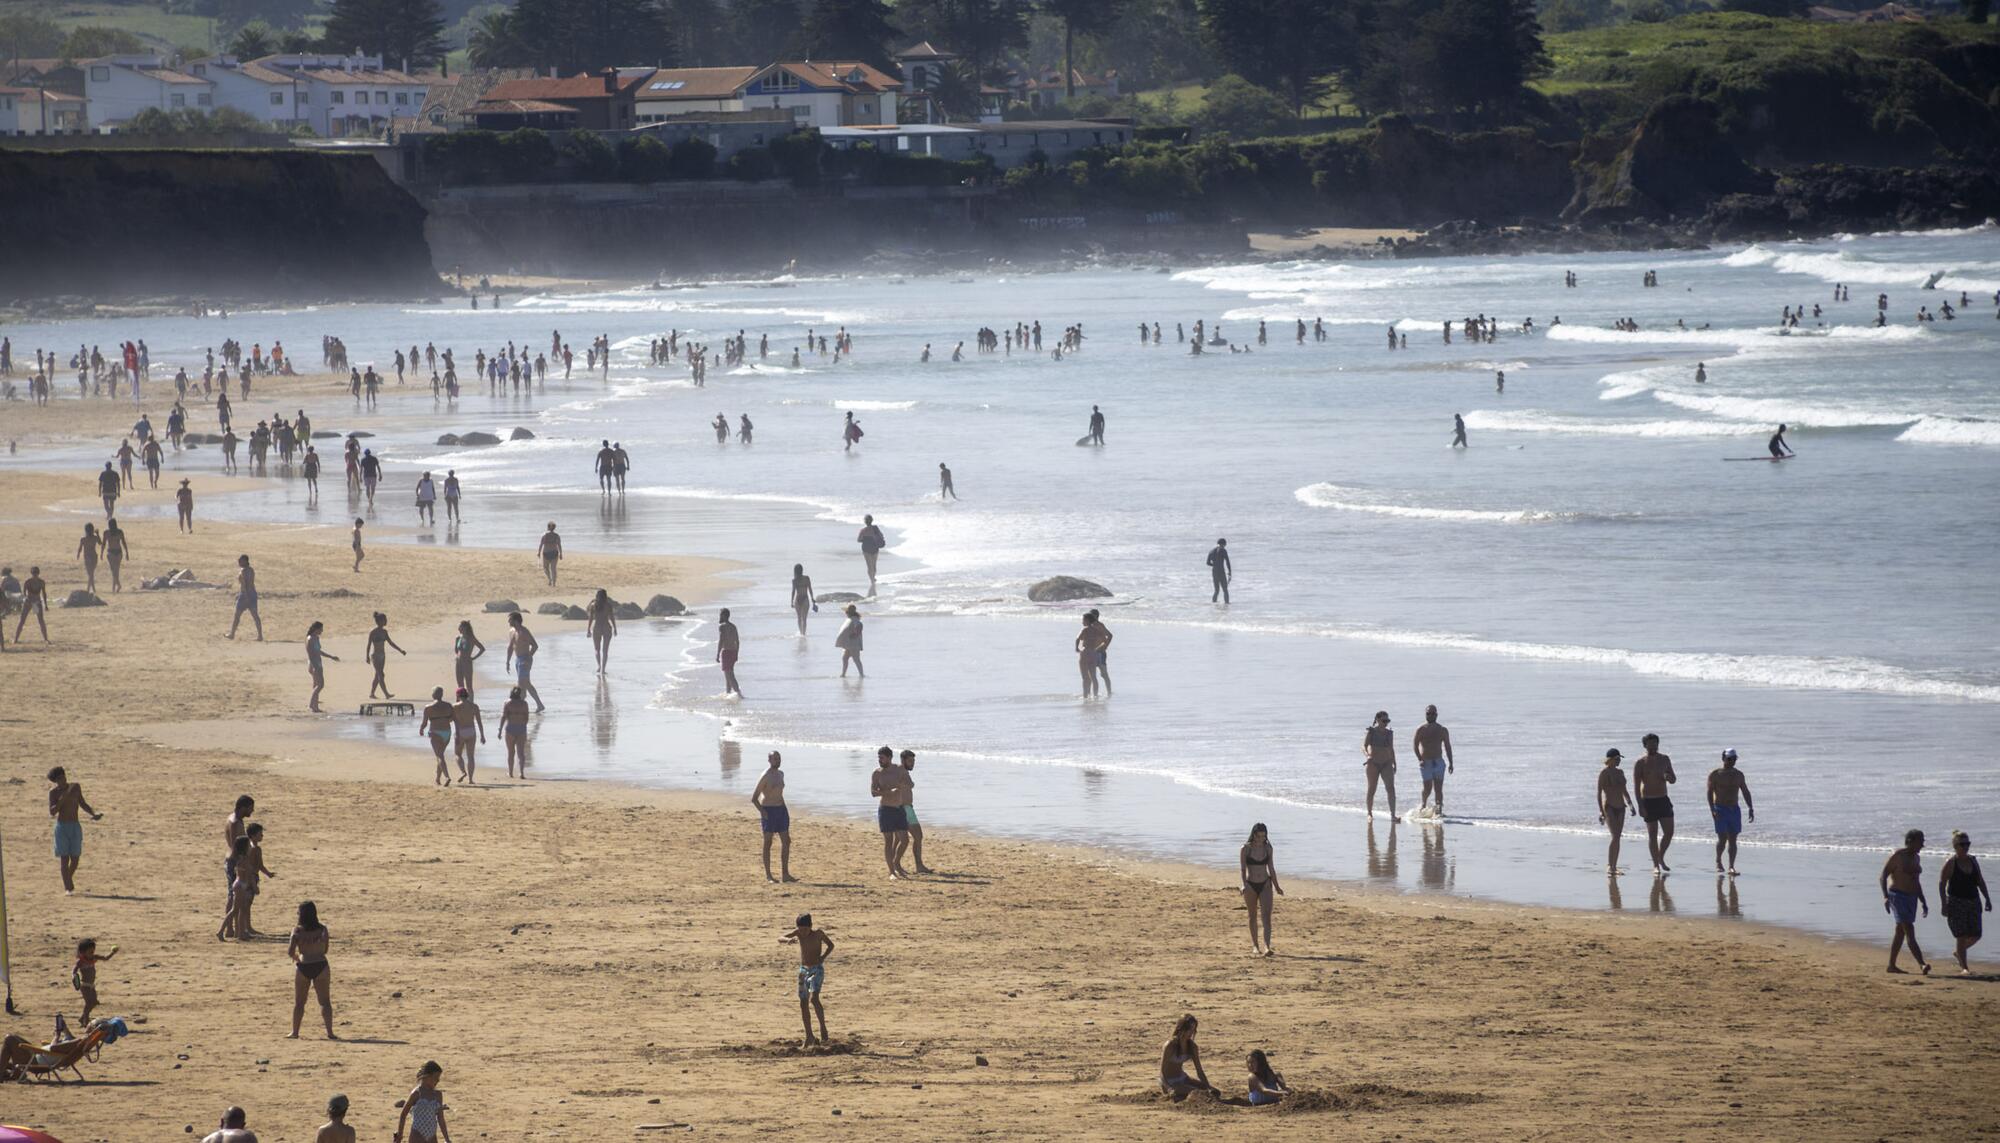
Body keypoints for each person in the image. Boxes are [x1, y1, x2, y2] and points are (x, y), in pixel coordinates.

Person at [1880, 829, 1931, 975]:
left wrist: (1923, 901)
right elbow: (1883, 875)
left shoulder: (1916, 858)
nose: (1923, 844)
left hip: (1911, 898)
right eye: (1920, 841)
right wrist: (1885, 896)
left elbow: (1916, 882)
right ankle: (1922, 964)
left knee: (1900, 932)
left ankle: (1891, 965)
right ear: (1910, 841)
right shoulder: (1898, 856)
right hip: (1897, 896)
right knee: (1909, 929)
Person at [1940, 831, 1990, 975]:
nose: (1965, 847)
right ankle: (1964, 967)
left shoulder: (1973, 860)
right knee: (1961, 935)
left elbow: (1980, 881)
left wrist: (1987, 898)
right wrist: (1944, 904)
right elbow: (1942, 884)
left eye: (1967, 844)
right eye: (1962, 844)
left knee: (1976, 934)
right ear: (1955, 846)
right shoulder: (1951, 862)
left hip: (1973, 901)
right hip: (1956, 902)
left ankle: (1958, 952)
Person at [781, 913, 835, 1047]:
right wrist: (787, 940)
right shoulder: (798, 933)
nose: (803, 932)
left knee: (814, 999)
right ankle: (809, 1035)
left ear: (811, 926)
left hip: (816, 969)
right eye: (800, 929)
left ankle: (823, 1028)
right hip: (803, 970)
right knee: (803, 1003)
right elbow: (780, 937)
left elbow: (831, 945)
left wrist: (823, 957)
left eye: (805, 929)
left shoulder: (818, 934)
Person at [48, 766, 102, 893]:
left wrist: (93, 814)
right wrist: (62, 799)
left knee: (75, 858)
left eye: (63, 776)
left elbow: (82, 803)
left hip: (75, 826)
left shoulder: (75, 787)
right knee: (64, 859)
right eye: (59, 778)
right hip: (62, 827)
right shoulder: (53, 793)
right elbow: (52, 812)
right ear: (55, 781)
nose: (63, 780)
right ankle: (68, 887)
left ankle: (67, 879)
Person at [287, 900, 335, 1039]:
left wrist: (298, 959)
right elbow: (325, 950)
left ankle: (295, 1032)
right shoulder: (323, 929)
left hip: (304, 965)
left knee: (300, 1003)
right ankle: (330, 1032)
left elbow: (290, 951)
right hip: (321, 965)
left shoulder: (297, 931)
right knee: (325, 1002)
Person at [1706, 749, 1755, 875]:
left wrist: (1750, 807)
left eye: (1734, 759)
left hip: (1734, 809)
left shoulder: (1739, 775)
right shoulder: (1715, 774)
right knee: (1722, 838)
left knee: (1733, 838)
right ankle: (1718, 861)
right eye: (1729, 759)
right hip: (1720, 809)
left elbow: (1745, 791)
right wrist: (1712, 809)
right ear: (1723, 759)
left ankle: (1731, 866)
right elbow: (1709, 792)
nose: (1732, 761)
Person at [1633, 732, 1676, 875]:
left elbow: (1673, 779)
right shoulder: (1640, 763)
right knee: (1652, 834)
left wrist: (1668, 777)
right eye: (1650, 744)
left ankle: (1660, 857)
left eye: (1655, 743)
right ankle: (1655, 865)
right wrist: (1639, 805)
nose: (1653, 746)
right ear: (1645, 746)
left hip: (1663, 799)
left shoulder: (1665, 759)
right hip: (1648, 801)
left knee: (1669, 832)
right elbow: (1636, 786)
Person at [1240, 823, 1282, 957]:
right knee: (1252, 916)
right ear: (1253, 835)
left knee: (1266, 916)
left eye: (1263, 836)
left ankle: (1267, 946)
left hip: (1265, 884)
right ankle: (1255, 946)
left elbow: (1271, 868)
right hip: (1250, 885)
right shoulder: (1245, 849)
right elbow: (1242, 869)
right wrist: (1243, 884)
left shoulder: (1268, 848)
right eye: (1258, 836)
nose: (1261, 839)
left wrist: (1277, 886)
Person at [751, 751, 794, 882]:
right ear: (769, 760)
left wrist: (784, 809)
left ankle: (785, 874)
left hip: (781, 810)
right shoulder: (765, 776)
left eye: (779, 758)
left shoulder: (781, 774)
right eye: (775, 758)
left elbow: (779, 793)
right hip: (769, 811)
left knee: (786, 841)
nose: (778, 760)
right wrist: (763, 813)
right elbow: (754, 798)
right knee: (768, 843)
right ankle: (769, 875)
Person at [870, 747, 909, 878]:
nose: (879, 760)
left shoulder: (898, 769)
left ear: (890, 757)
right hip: (885, 809)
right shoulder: (877, 773)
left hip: (899, 808)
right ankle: (892, 872)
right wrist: (888, 792)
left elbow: (910, 783)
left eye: (882, 758)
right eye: (879, 758)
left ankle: (896, 862)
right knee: (889, 840)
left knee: (905, 840)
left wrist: (905, 784)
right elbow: (873, 792)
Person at [1159, 1014, 1215, 1101]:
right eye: (1189, 1029)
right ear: (1181, 1028)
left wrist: (1208, 1086)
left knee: (1213, 1091)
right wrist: (1169, 1088)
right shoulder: (1170, 1045)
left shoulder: (1192, 1047)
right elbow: (1162, 1072)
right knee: (1197, 1092)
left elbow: (1199, 1071)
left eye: (1193, 1030)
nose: (1191, 1033)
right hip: (1169, 1082)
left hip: (1183, 1078)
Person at [1598, 748, 1636, 873]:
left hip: (1621, 808)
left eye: (1620, 759)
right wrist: (1601, 812)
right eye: (1617, 759)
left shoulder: (1620, 772)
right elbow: (1598, 793)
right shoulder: (1604, 773)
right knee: (1615, 836)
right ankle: (1610, 866)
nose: (1619, 761)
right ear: (1610, 760)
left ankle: (1614, 866)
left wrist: (1631, 805)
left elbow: (1624, 790)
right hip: (1609, 807)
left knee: (1618, 837)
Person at [395, 1061, 451, 1143]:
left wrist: (447, 1139)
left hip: (432, 1135)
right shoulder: (417, 1093)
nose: (438, 1081)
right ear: (427, 1076)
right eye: (435, 1078)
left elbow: (441, 1119)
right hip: (417, 1133)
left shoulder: (438, 1095)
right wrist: (400, 1136)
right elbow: (403, 1114)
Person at [1412, 705, 1454, 815]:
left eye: (1432, 713)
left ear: (1436, 715)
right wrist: (1420, 759)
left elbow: (1448, 747)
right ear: (1425, 715)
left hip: (1438, 762)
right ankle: (1423, 804)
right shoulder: (1421, 729)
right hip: (1426, 762)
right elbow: (1415, 745)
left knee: (1438, 788)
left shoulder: (1442, 730)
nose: (1430, 715)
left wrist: (1451, 763)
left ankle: (1438, 810)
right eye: (1428, 713)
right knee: (1427, 788)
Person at [899, 749, 933, 875]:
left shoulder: (902, 771)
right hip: (904, 808)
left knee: (906, 839)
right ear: (903, 760)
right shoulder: (901, 771)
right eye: (910, 761)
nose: (912, 763)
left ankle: (916, 865)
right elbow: (910, 785)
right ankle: (915, 865)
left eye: (913, 761)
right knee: (917, 836)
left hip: (907, 808)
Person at [506, 612, 544, 712]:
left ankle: (523, 705)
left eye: (510, 619)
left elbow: (535, 646)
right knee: (525, 684)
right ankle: (536, 704)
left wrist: (528, 657)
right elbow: (510, 647)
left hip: (525, 659)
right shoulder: (512, 631)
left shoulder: (524, 632)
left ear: (516, 621)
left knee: (522, 683)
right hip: (517, 659)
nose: (508, 621)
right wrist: (507, 662)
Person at [1362, 710, 1397, 819]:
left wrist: (1394, 762)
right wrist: (1367, 756)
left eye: (1387, 721)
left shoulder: (1389, 733)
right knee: (1372, 788)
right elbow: (1364, 746)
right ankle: (1369, 813)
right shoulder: (1371, 731)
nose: (1386, 723)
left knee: (1390, 788)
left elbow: (1391, 748)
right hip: (1373, 763)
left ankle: (1393, 815)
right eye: (1384, 720)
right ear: (1377, 720)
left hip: (1386, 763)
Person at [72, 938, 114, 1022]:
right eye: (90, 952)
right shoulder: (81, 961)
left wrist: (113, 952)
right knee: (88, 1003)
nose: (92, 953)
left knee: (94, 1002)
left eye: (93, 951)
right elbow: (74, 970)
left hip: (92, 985)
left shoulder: (94, 958)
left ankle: (83, 1017)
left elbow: (106, 958)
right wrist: (74, 977)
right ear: (83, 952)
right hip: (84, 985)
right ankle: (85, 1020)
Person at [366, 612, 406, 698]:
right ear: (379, 621)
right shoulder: (373, 632)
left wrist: (400, 650)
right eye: (384, 620)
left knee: (378, 675)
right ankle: (386, 694)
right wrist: (367, 657)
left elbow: (391, 643)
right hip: (375, 656)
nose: (386, 621)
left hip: (382, 656)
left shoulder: (384, 632)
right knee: (381, 674)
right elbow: (369, 645)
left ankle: (372, 694)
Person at [420, 688, 455, 785]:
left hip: (435, 732)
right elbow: (452, 718)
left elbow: (425, 722)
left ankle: (447, 776)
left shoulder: (428, 707)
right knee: (440, 756)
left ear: (433, 695)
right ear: (442, 695)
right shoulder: (448, 705)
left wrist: (421, 729)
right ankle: (437, 779)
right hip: (447, 732)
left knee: (439, 756)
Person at [451, 687, 486, 785]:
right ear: (467, 695)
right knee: (470, 756)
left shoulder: (455, 706)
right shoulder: (474, 706)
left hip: (460, 731)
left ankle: (463, 772)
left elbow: (450, 720)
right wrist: (482, 735)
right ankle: (470, 779)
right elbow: (479, 722)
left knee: (458, 754)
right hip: (471, 731)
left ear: (457, 695)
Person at [1076, 610, 1113, 698]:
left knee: (1103, 674)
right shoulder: (1087, 628)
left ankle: (1109, 693)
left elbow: (1110, 635)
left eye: (1092, 616)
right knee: (1089, 676)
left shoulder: (1100, 625)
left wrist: (1104, 647)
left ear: (1096, 617)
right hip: (1091, 653)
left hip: (1100, 653)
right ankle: (1088, 694)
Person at [227, 555, 262, 641]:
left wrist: (244, 596)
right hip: (253, 594)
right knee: (255, 616)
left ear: (245, 561)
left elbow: (244, 585)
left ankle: (232, 634)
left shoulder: (242, 572)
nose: (239, 562)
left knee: (237, 615)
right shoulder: (251, 570)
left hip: (245, 595)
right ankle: (260, 636)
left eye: (241, 561)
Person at [306, 621, 339, 712]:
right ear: (316, 629)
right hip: (314, 664)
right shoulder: (309, 639)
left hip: (318, 663)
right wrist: (315, 666)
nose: (322, 631)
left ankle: (314, 706)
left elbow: (319, 651)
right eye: (321, 629)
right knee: (320, 685)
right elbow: (310, 654)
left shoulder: (316, 638)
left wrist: (331, 657)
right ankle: (312, 706)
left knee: (317, 685)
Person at [500, 686, 531, 779]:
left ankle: (510, 772)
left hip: (510, 728)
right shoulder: (524, 704)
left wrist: (500, 729)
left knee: (511, 752)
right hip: (521, 728)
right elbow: (526, 717)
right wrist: (523, 726)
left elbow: (504, 717)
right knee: (521, 752)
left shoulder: (507, 703)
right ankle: (521, 773)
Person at [586, 588, 618, 673]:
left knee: (597, 649)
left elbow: (591, 619)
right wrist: (615, 628)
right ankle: (603, 669)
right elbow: (612, 617)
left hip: (597, 627)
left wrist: (588, 629)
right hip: (606, 627)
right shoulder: (608, 605)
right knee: (605, 650)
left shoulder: (593, 605)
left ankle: (599, 666)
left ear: (597, 596)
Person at [14, 565, 48, 642]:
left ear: (38, 574)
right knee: (22, 620)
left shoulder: (41, 582)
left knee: (41, 621)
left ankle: (46, 639)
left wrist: (46, 605)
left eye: (36, 574)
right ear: (31, 574)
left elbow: (44, 593)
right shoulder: (27, 582)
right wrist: (26, 599)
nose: (35, 575)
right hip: (28, 602)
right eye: (33, 574)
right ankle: (15, 639)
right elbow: (24, 593)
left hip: (37, 602)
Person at [715, 607, 743, 696]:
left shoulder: (722, 626)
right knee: (727, 676)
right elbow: (737, 641)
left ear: (723, 616)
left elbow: (721, 640)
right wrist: (737, 653)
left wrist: (717, 654)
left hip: (726, 652)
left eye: (720, 615)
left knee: (730, 675)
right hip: (733, 651)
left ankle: (738, 694)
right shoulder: (733, 626)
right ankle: (728, 693)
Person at [452, 621, 485, 697]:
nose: (459, 628)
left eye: (460, 627)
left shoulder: (471, 638)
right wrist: (457, 656)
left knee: (469, 685)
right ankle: (460, 702)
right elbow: (456, 650)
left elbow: (482, 648)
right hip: (458, 662)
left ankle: (471, 703)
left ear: (465, 628)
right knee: (460, 685)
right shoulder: (458, 638)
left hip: (467, 662)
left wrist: (473, 658)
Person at [856, 515, 886, 596]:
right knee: (874, 565)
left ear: (865, 521)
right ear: (872, 520)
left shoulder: (863, 530)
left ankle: (872, 580)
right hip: (875, 547)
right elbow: (881, 536)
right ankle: (873, 578)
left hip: (866, 548)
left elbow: (858, 540)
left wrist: (864, 539)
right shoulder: (876, 528)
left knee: (869, 566)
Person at [835, 604, 865, 678]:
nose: (845, 613)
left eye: (846, 612)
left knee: (856, 659)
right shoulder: (850, 619)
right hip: (848, 643)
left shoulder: (854, 619)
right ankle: (843, 674)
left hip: (853, 643)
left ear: (849, 612)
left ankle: (862, 675)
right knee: (845, 658)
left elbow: (860, 625)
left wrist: (856, 634)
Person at [789, 563, 817, 636]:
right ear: (802, 570)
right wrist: (812, 598)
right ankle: (802, 633)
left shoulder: (795, 580)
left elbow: (793, 591)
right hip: (805, 599)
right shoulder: (805, 578)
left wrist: (791, 602)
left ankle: (802, 633)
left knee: (800, 618)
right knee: (803, 618)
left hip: (798, 599)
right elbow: (810, 589)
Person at [76, 522, 100, 594]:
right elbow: (100, 543)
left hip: (87, 557)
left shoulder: (83, 539)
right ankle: (93, 589)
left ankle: (88, 589)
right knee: (91, 574)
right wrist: (98, 534)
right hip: (94, 557)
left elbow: (80, 548)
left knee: (90, 574)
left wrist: (78, 554)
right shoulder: (95, 537)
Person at [1207, 538, 1231, 604]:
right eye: (1225, 544)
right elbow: (1227, 562)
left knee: (1216, 590)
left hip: (1214, 572)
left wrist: (1214, 565)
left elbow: (1208, 563)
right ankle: (1227, 604)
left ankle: (1214, 604)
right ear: (1223, 544)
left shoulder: (1211, 551)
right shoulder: (1223, 550)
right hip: (1221, 572)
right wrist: (1229, 572)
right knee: (1225, 590)